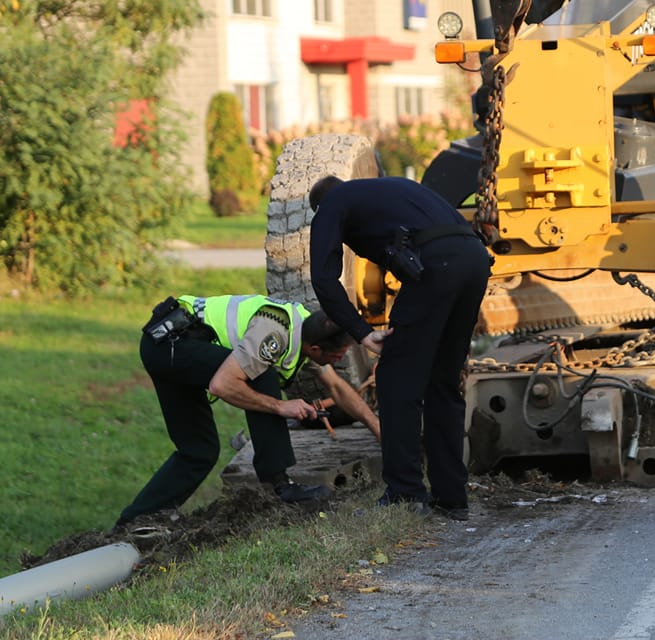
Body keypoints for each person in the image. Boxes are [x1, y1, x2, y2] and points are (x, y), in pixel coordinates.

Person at [307, 174, 491, 520]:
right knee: (443, 382)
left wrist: (361, 332)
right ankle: (452, 498)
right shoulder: (388, 188)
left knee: (394, 380)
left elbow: (322, 278)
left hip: (438, 265)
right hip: (474, 259)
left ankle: (405, 493)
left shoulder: (331, 204)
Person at [116, 293, 380, 528]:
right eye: (338, 355)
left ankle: (135, 522)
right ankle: (280, 486)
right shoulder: (275, 334)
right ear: (316, 349)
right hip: (172, 341)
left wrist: (378, 429)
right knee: (260, 375)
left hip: (163, 342)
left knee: (199, 452)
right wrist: (281, 406)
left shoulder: (307, 329)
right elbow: (222, 385)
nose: (340, 359)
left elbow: (337, 387)